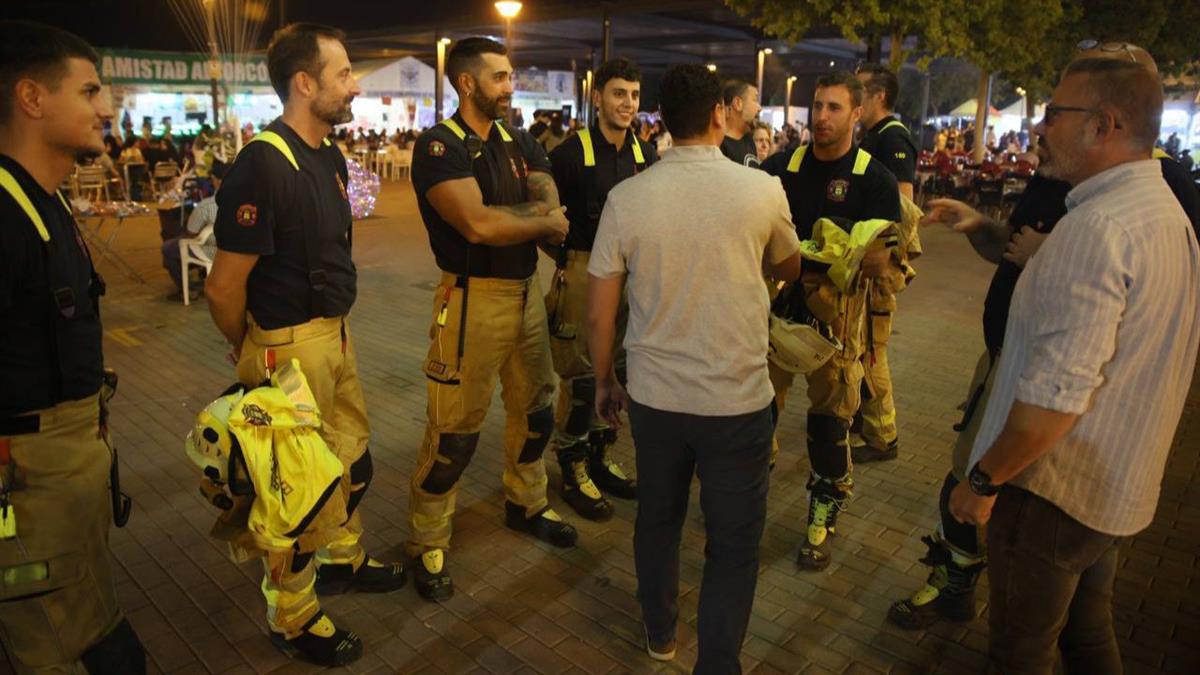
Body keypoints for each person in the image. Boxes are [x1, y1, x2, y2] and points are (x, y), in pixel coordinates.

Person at [894, 39, 1200, 638]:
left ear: (1104, 125)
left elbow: (1060, 389)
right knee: (1088, 632)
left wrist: (984, 481)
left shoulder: (1098, 227)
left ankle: (959, 575)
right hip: (1107, 478)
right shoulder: (1148, 206)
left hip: (1056, 485)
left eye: (1055, 112)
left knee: (1021, 650)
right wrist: (989, 230)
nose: (1040, 124)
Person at [204, 23, 407, 667]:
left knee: (349, 461)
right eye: (344, 73)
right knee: (293, 492)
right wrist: (256, 350)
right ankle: (291, 616)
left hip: (335, 337)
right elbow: (222, 287)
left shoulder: (328, 154)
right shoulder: (262, 162)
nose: (354, 86)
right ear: (304, 83)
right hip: (287, 346)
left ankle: (343, 559)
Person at [589, 62, 801, 672]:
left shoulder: (627, 198)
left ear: (660, 118)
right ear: (718, 115)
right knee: (733, 545)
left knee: (657, 522)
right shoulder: (761, 189)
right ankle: (718, 664)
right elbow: (790, 267)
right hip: (737, 400)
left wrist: (606, 379)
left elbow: (601, 313)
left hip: (655, 398)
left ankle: (660, 633)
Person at [407, 36, 576, 603]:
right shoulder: (439, 147)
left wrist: (530, 215)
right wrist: (540, 218)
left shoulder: (519, 139)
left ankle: (526, 503)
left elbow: (543, 193)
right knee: (454, 432)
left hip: (526, 292)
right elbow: (478, 225)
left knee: (537, 410)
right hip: (470, 300)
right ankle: (428, 540)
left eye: (511, 76)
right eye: (500, 77)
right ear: (467, 83)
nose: (510, 86)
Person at [0, 20, 146, 673]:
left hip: (66, 469)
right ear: (32, 98)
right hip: (24, 486)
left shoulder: (44, 201)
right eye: (89, 92)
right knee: (57, 645)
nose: (107, 109)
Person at [761, 71, 903, 571]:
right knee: (757, 410)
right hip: (775, 308)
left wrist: (851, 259)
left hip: (838, 318)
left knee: (830, 422)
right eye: (816, 106)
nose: (821, 117)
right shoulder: (781, 166)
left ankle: (823, 512)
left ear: (857, 112)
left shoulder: (874, 178)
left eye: (834, 108)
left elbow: (884, 256)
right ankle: (745, 502)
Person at [544, 57, 657, 521]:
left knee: (621, 370)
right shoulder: (569, 155)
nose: (627, 103)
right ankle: (572, 465)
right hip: (585, 270)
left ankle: (599, 454)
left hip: (632, 277)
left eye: (633, 94)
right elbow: (547, 225)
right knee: (583, 374)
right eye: (618, 93)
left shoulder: (643, 155)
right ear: (597, 98)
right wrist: (571, 265)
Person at [851, 63, 923, 464]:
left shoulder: (892, 137)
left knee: (872, 349)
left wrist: (883, 255)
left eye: (858, 89)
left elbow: (903, 203)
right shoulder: (876, 136)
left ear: (878, 96)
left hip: (879, 263)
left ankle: (882, 436)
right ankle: (867, 419)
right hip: (867, 259)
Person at [162, 159, 227, 300]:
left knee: (169, 247)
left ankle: (187, 290)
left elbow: (191, 232)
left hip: (210, 250)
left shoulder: (207, 205)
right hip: (235, 249)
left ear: (215, 180)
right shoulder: (246, 203)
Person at [719, 78, 761, 168]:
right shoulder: (720, 147)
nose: (759, 108)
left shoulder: (749, 140)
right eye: (755, 100)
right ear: (738, 103)